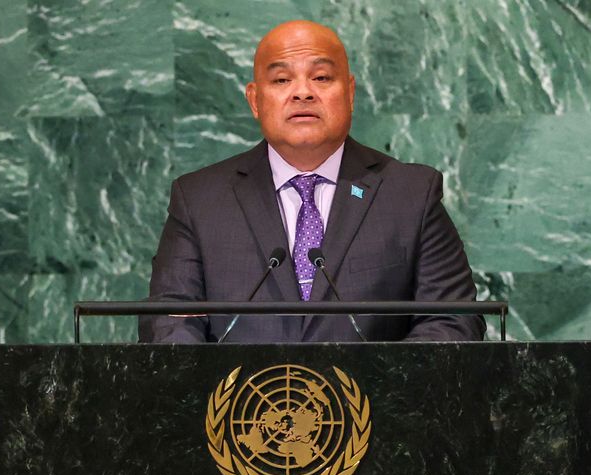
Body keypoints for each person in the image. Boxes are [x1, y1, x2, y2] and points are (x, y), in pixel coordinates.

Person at [138, 20, 485, 343]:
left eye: (321, 78)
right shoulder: (200, 200)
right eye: (281, 80)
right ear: (255, 100)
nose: (302, 92)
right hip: (239, 407)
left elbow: (451, 320)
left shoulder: (411, 194)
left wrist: (383, 394)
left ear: (349, 93)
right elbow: (170, 322)